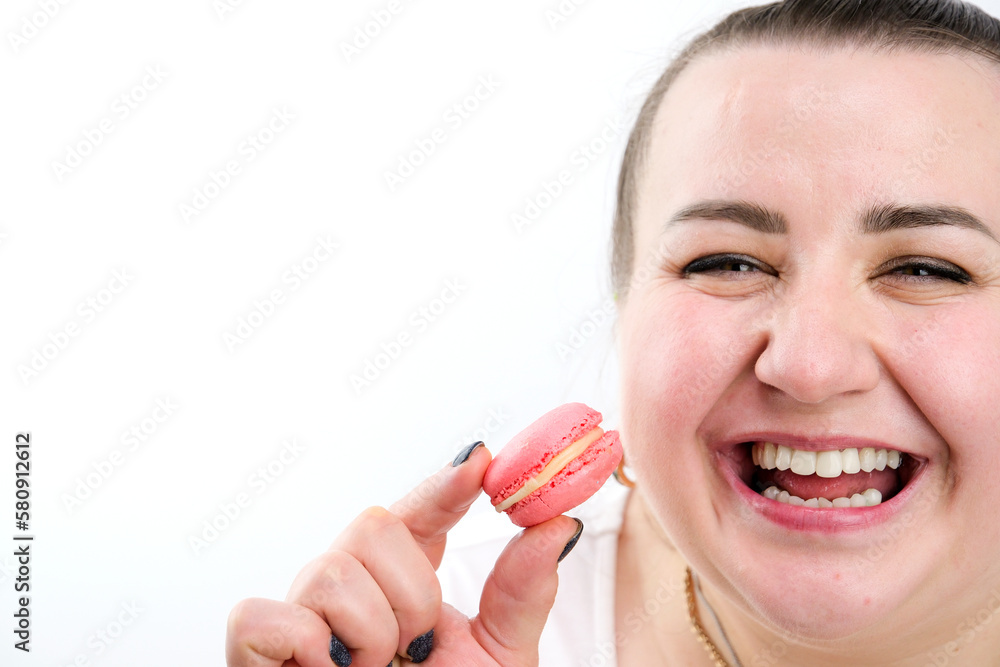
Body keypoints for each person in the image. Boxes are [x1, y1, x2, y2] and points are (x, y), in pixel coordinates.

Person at [226, 0, 1000, 664]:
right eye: (727, 262)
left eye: (927, 268)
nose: (809, 364)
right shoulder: (442, 623)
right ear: (624, 314)